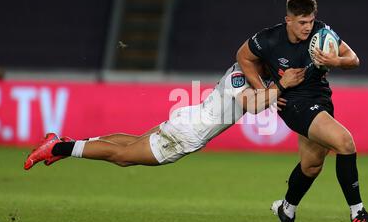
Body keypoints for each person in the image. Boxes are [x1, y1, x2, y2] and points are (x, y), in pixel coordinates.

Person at [236, 0, 368, 222]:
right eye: (302, 22)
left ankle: (287, 208)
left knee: (312, 165)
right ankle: (357, 214)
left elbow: (354, 59)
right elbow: (243, 56)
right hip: (293, 103)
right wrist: (264, 91)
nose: (308, 27)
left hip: (321, 99)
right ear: (288, 20)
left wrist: (334, 60)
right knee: (344, 142)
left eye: (310, 21)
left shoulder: (323, 32)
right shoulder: (269, 39)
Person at [24, 63, 305, 169]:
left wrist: (277, 89)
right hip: (188, 133)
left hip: (189, 119)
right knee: (122, 157)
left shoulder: (251, 75)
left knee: (128, 144)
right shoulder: (240, 77)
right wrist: (282, 86)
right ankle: (59, 147)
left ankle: (66, 143)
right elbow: (254, 106)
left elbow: (260, 99)